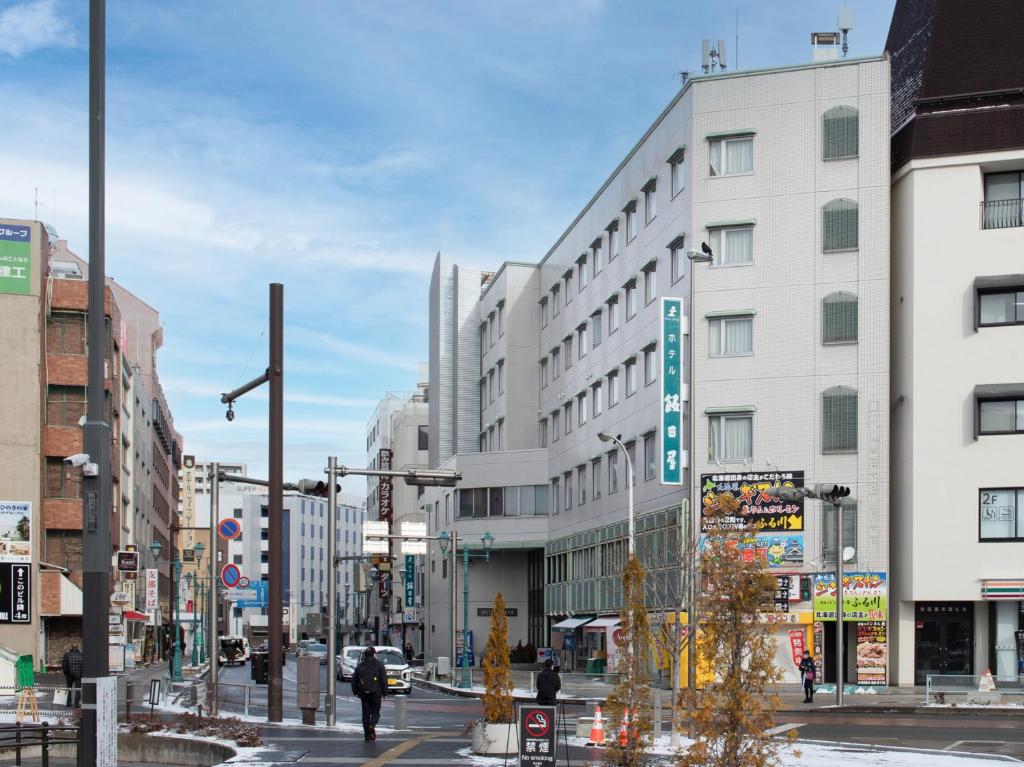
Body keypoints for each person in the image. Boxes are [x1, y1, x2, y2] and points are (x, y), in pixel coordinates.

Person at [351, 647, 388, 741]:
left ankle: (367, 736)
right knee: (376, 712)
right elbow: (384, 679)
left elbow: (354, 680)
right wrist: (385, 692)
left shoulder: (360, 666)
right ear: (374, 654)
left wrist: (355, 691)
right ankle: (372, 725)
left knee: (365, 714)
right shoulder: (379, 665)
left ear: (365, 655)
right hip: (376, 693)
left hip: (363, 693)